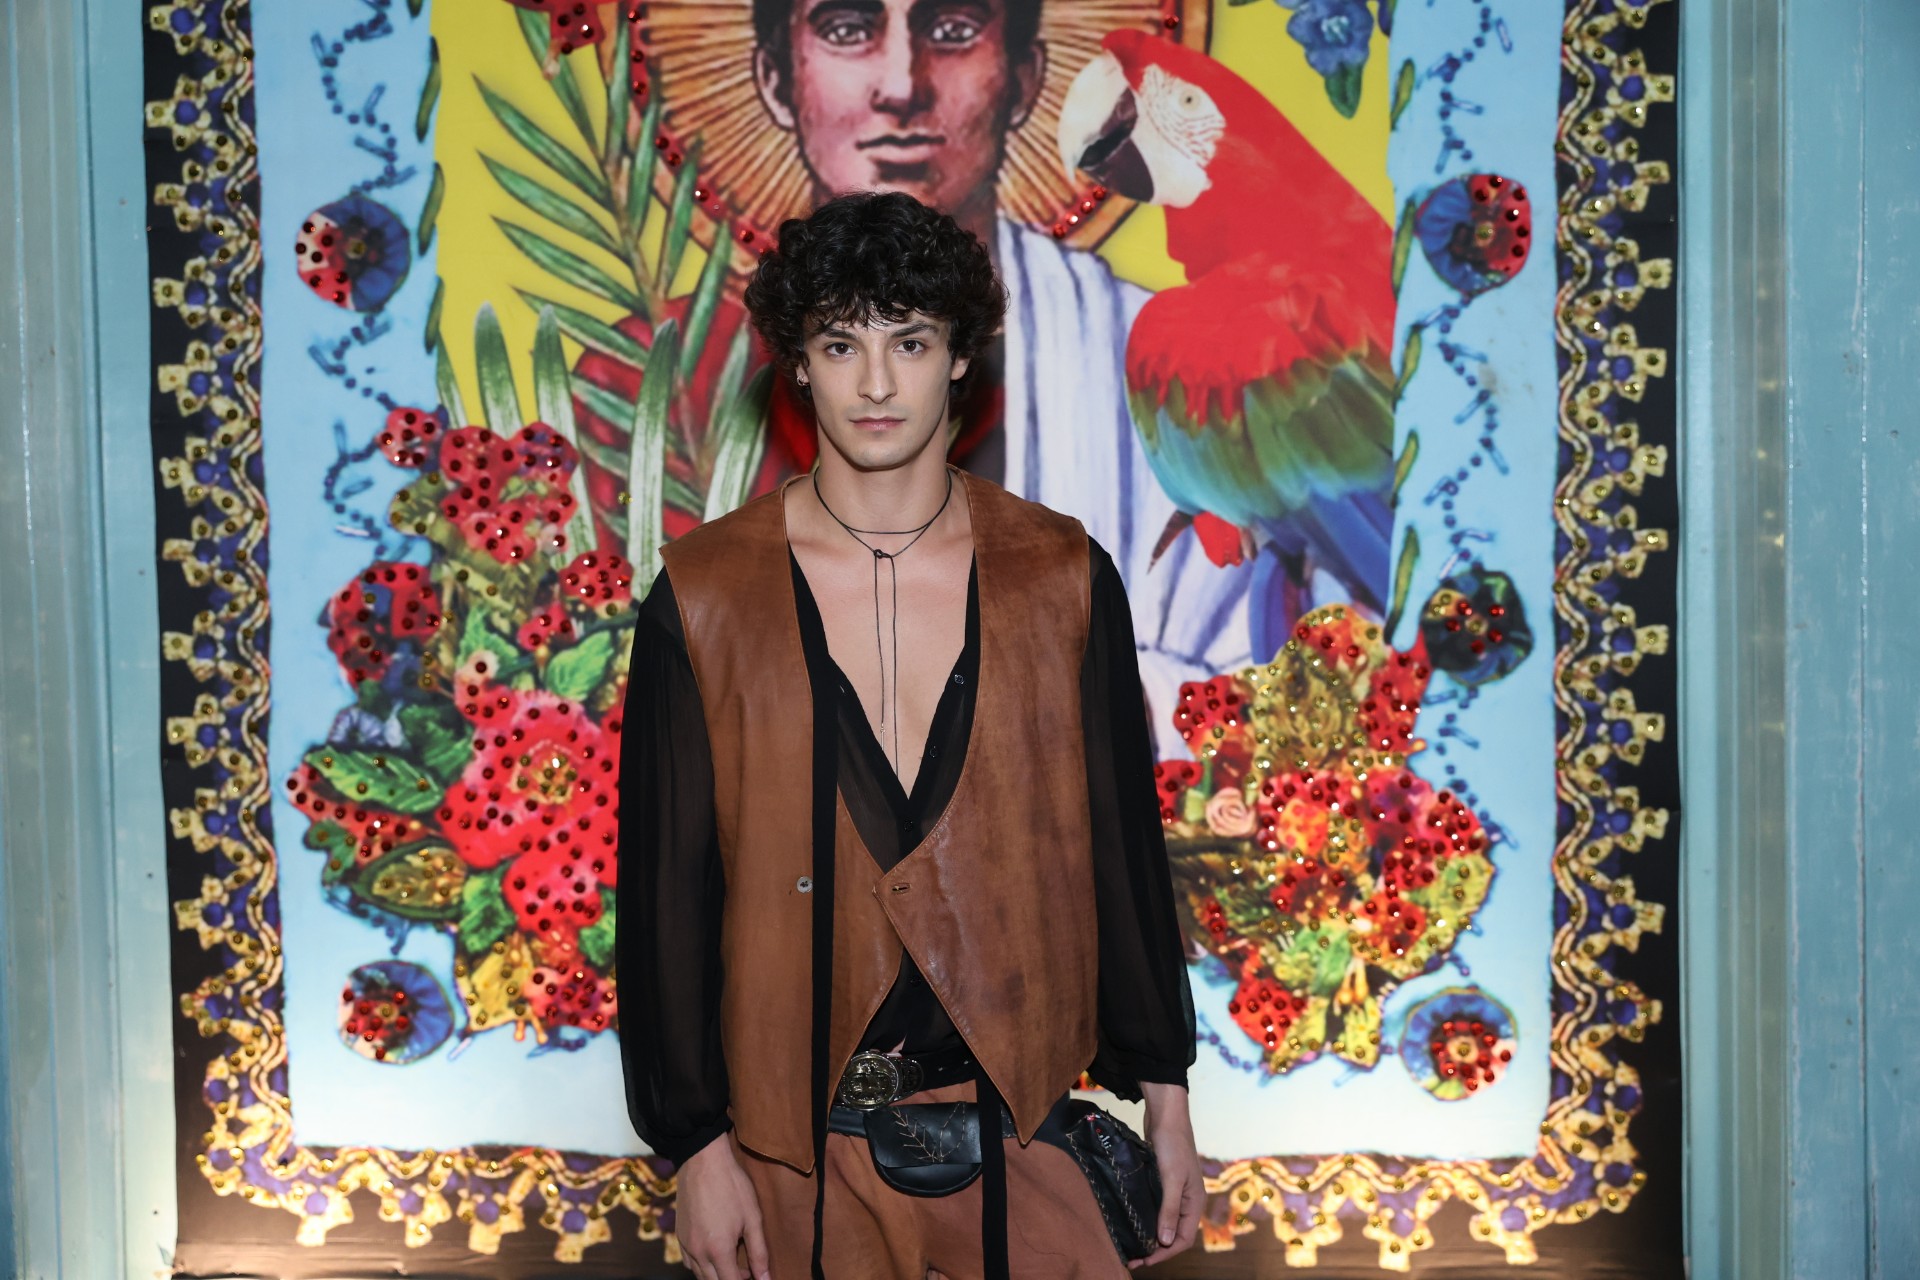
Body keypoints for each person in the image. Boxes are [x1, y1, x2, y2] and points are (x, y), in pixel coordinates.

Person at [618, 191, 1202, 1279]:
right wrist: (693, 1145)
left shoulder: (1060, 576)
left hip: (1020, 1135)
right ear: (799, 363)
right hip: (786, 1154)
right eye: (842, 343)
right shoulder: (706, 595)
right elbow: (667, 896)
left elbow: (1120, 850)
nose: (877, 383)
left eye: (912, 342)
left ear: (961, 357)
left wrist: (1167, 1100)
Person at [749, 0, 1263, 754]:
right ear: (775, 78)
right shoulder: (667, 384)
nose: (903, 86)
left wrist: (1056, 713)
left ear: (1024, 78)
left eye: (953, 30)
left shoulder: (1177, 374)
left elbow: (1282, 685)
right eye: (848, 29)